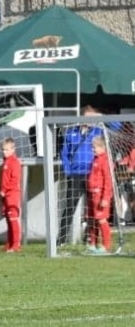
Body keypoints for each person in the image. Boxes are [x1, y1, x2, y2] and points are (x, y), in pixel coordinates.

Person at [57, 104, 104, 250]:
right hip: (75, 175)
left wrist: (101, 116)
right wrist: (68, 170)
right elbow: (64, 153)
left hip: (92, 175)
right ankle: (61, 240)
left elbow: (117, 126)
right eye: (88, 117)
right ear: (81, 117)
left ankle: (91, 239)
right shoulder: (71, 132)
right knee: (69, 207)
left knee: (93, 208)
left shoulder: (98, 131)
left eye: (92, 118)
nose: (90, 120)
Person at [87, 134, 116, 254]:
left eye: (94, 147)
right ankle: (92, 244)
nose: (92, 150)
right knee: (92, 219)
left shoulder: (105, 161)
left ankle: (106, 245)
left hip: (100, 196)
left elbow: (108, 181)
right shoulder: (95, 159)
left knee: (102, 220)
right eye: (92, 147)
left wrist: (105, 198)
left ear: (102, 147)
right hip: (92, 194)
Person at [0, 136, 23, 252]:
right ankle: (9, 243)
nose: (4, 152)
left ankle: (16, 245)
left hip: (12, 194)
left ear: (13, 149)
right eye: (3, 149)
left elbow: (15, 180)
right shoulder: (5, 162)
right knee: (8, 219)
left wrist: (4, 189)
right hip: (5, 194)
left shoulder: (14, 162)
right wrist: (1, 190)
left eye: (7, 149)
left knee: (13, 218)